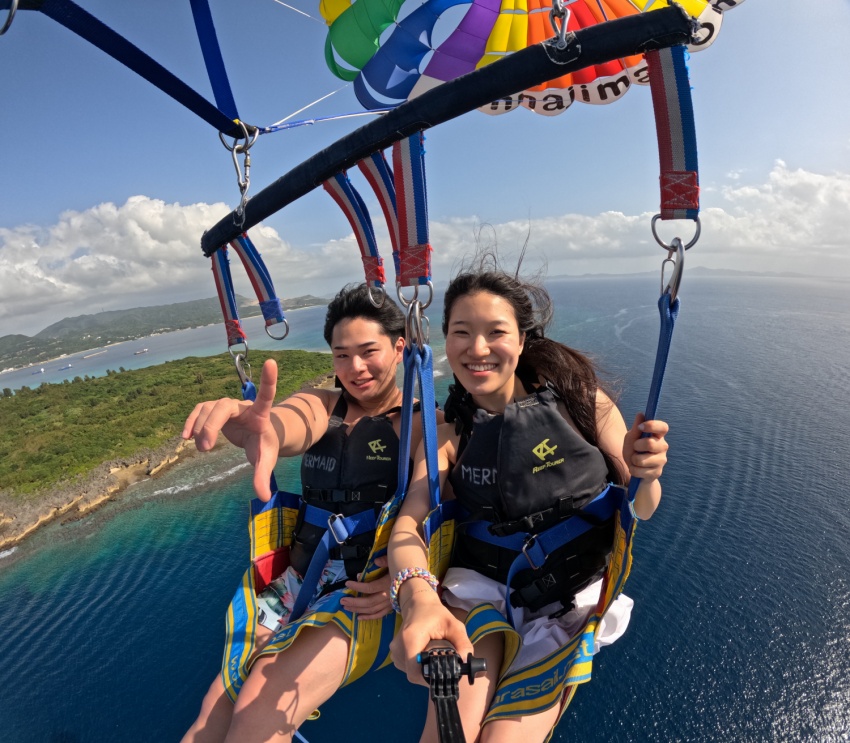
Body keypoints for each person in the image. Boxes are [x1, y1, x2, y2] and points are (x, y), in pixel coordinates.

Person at [388, 262, 670, 742]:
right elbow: (409, 524)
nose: (478, 349)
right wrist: (416, 594)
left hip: (568, 601)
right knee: (449, 727)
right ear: (445, 343)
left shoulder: (584, 403)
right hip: (479, 591)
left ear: (521, 340)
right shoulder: (451, 433)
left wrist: (645, 470)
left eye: (495, 332)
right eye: (461, 333)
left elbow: (641, 506)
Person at [182, 283, 433, 743]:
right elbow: (291, 421)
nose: (354, 368)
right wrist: (267, 431)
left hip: (363, 592)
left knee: (261, 708)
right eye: (341, 355)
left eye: (368, 351)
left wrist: (401, 581)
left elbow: (437, 514)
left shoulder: (422, 426)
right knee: (211, 715)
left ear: (400, 348)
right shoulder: (323, 403)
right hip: (296, 582)